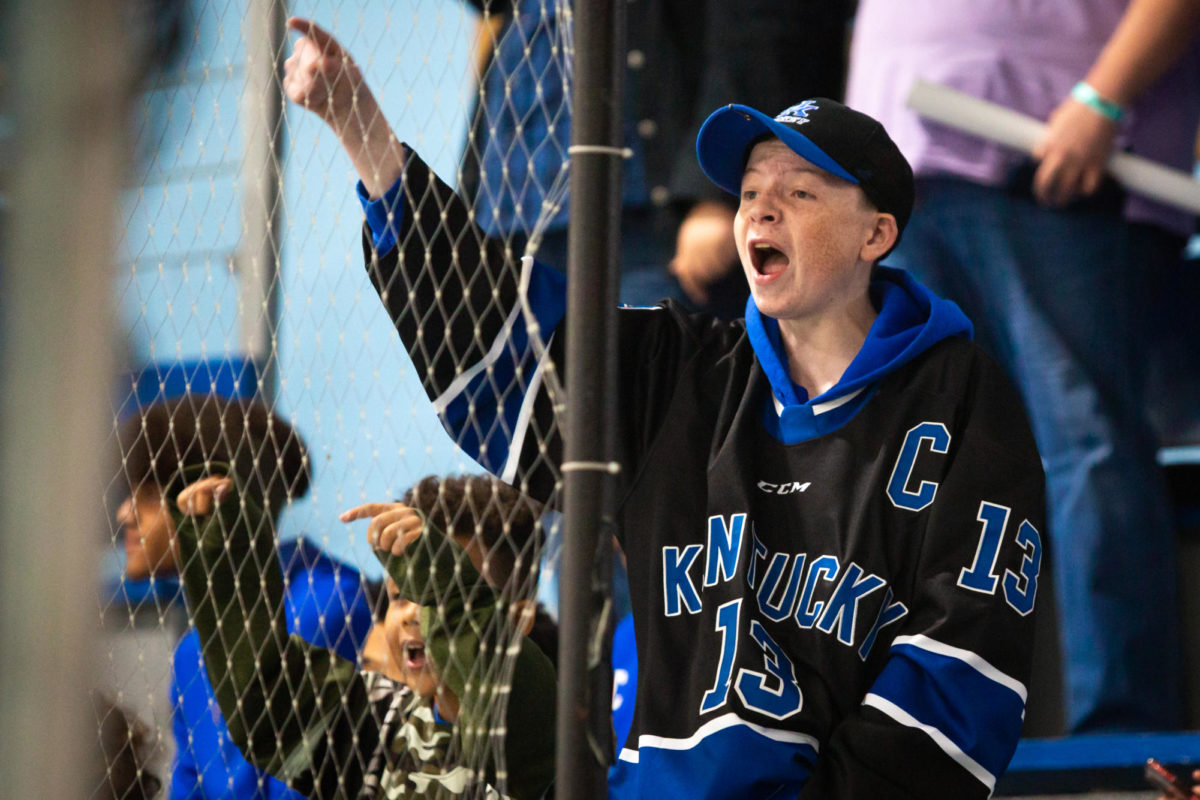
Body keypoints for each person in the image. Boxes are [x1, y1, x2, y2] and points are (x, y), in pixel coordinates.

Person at [286, 17, 1047, 798]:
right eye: (749, 192)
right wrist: (364, 136)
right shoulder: (682, 372)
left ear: (875, 234)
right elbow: (504, 336)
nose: (760, 211)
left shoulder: (963, 396)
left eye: (799, 192)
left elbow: (964, 662)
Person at [844, 0, 1200, 733]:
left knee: (1085, 441)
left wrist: (1103, 97)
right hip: (900, 168)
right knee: (923, 464)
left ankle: (1118, 731)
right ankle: (926, 726)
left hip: (1056, 158)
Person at [170, 469, 557, 799]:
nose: (411, 616)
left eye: (436, 594)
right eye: (401, 596)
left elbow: (510, 699)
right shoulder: (379, 721)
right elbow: (267, 697)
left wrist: (450, 595)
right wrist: (226, 551)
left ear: (519, 620)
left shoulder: (546, 728)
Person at [451, 0, 852, 318]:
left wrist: (719, 190)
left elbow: (768, 23)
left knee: (648, 405)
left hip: (650, 215)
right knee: (532, 411)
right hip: (508, 209)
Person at [116, 395, 374, 799]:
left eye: (149, 496)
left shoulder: (321, 605)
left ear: (214, 496)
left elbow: (316, 776)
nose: (125, 515)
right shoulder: (191, 652)